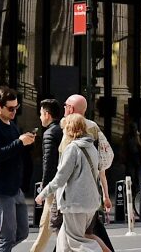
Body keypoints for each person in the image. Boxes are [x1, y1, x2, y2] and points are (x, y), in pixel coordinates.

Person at [56, 95, 116, 252]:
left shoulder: (68, 129)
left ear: (71, 108)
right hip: (88, 195)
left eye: (66, 105)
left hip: (73, 196)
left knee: (78, 238)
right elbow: (102, 163)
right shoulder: (93, 128)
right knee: (71, 238)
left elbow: (62, 169)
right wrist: (105, 194)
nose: (64, 108)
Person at [0, 86, 37, 252]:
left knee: (22, 233)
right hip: (0, 188)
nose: (14, 112)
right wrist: (20, 142)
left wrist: (25, 143)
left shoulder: (12, 126)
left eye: (17, 108)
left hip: (15, 188)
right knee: (7, 238)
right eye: (11, 108)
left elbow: (14, 151)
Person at [42, 114, 104, 252]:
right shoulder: (91, 147)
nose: (63, 131)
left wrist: (43, 193)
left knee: (77, 241)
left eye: (64, 128)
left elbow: (61, 177)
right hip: (90, 203)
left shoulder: (72, 149)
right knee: (63, 243)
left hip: (76, 204)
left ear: (70, 129)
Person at [30, 100, 65, 252]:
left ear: (47, 114)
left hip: (54, 187)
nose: (40, 117)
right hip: (65, 186)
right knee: (61, 229)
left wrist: (45, 189)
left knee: (45, 227)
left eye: (41, 114)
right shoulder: (63, 130)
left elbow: (48, 163)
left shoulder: (50, 133)